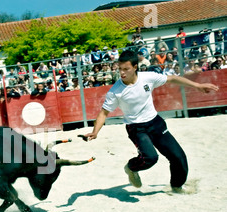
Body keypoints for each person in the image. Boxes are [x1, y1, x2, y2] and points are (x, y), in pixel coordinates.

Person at [84, 50, 219, 193]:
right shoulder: (115, 91)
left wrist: (197, 86)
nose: (122, 73)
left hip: (155, 123)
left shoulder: (148, 77)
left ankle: (176, 187)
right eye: (120, 69)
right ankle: (131, 168)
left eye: (126, 69)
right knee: (150, 158)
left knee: (179, 157)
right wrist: (95, 132)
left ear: (135, 67)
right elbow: (103, 113)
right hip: (136, 128)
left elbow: (172, 78)